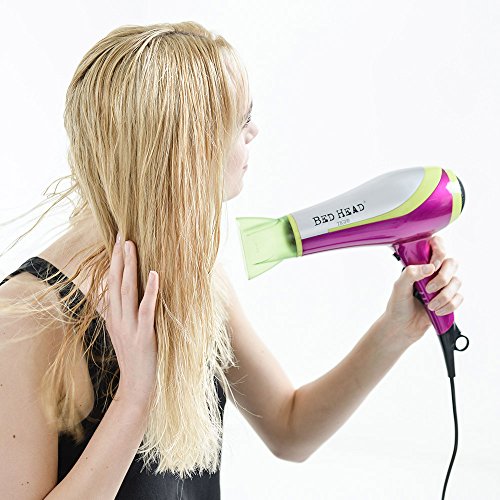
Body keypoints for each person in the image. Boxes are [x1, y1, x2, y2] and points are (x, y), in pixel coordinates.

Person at [0, 22, 464, 500]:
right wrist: (135, 395)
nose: (254, 132)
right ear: (186, 148)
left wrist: (394, 332)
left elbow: (290, 429)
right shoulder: (27, 321)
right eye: (242, 120)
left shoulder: (198, 279)